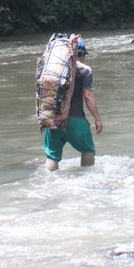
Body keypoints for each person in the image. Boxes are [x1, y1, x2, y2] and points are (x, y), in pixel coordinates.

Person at [43, 36, 103, 171]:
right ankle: (87, 181)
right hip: (76, 120)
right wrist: (97, 119)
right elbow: (87, 96)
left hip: (53, 120)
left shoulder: (52, 70)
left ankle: (48, 182)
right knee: (88, 150)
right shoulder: (84, 70)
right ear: (80, 55)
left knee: (52, 156)